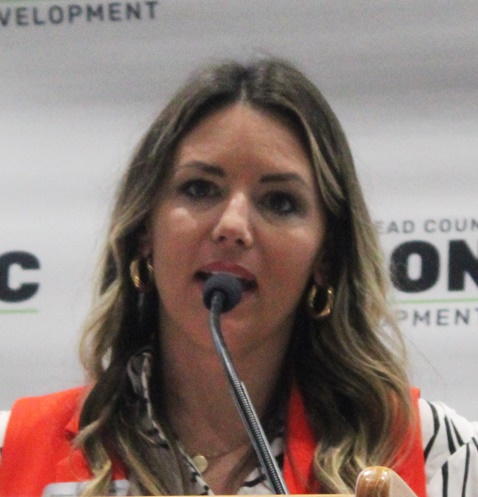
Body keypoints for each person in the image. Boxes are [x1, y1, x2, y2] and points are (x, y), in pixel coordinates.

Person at [0, 57, 477, 497]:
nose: (232, 226)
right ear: (145, 230)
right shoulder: (14, 450)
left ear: (326, 258)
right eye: (200, 189)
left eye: (279, 202)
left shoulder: (436, 452)